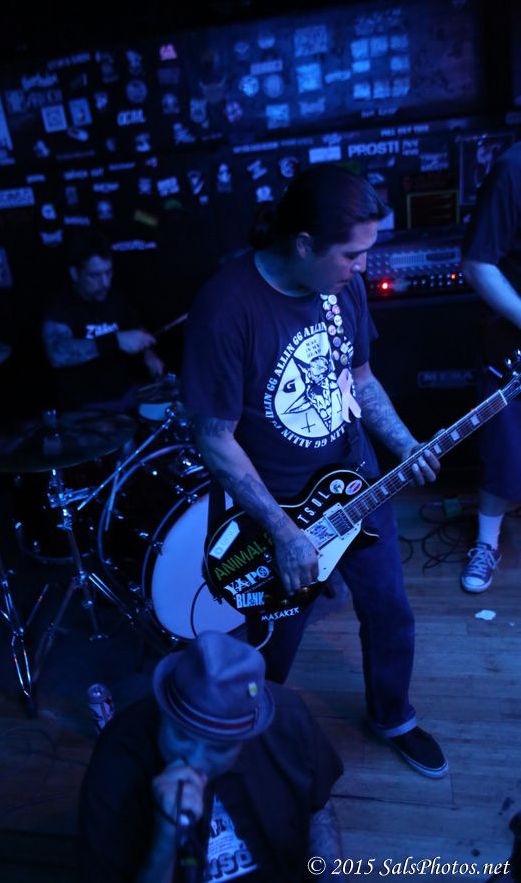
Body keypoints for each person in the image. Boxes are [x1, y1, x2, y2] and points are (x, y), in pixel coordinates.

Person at [182, 165, 448, 779]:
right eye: (352, 254)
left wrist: (406, 444)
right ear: (304, 244)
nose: (363, 266)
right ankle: (253, 751)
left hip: (357, 482)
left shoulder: (341, 287)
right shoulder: (226, 308)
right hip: (280, 513)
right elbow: (213, 438)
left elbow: (361, 378)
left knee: (390, 609)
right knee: (274, 647)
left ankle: (393, 716)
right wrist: (283, 533)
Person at [78, 630, 343, 882]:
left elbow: (318, 806)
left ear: (247, 736)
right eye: (182, 736)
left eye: (219, 748)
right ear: (164, 712)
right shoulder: (116, 758)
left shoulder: (288, 719)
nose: (195, 760)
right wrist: (166, 836)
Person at [460, 142, 521, 593]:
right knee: (505, 448)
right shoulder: (513, 169)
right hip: (513, 340)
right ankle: (487, 542)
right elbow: (478, 264)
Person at [42, 229, 164, 411]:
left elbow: (135, 327)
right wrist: (115, 341)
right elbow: (57, 354)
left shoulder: (115, 297)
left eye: (108, 272)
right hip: (87, 408)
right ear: (75, 273)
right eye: (95, 275)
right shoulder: (60, 307)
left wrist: (148, 353)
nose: (105, 282)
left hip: (127, 394)